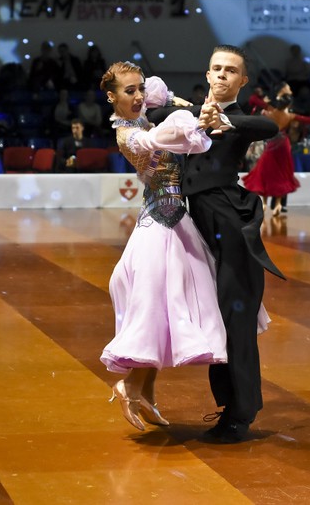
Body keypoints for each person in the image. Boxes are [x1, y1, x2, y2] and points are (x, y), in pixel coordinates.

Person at [152, 45, 284, 443]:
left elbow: (270, 128)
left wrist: (224, 118)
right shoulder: (189, 115)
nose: (223, 75)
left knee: (234, 324)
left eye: (231, 71)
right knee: (216, 324)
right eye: (216, 69)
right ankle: (231, 407)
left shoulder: (240, 120)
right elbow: (154, 116)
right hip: (199, 230)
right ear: (207, 75)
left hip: (231, 224)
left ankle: (240, 414)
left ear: (243, 81)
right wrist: (196, 114)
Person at [99, 61, 228, 431]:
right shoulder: (128, 136)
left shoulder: (143, 114)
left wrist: (175, 100)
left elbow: (163, 95)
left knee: (168, 311)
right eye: (129, 92)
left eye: (140, 88)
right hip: (159, 226)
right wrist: (193, 119)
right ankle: (129, 385)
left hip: (176, 220)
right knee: (156, 307)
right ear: (111, 97)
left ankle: (147, 393)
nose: (139, 96)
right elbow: (168, 137)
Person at [244, 82, 310, 216]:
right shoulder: (290, 116)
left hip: (271, 143)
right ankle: (278, 204)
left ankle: (264, 202)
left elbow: (253, 102)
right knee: (281, 174)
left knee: (266, 171)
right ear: (288, 104)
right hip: (283, 144)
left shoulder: (270, 111)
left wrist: (260, 100)